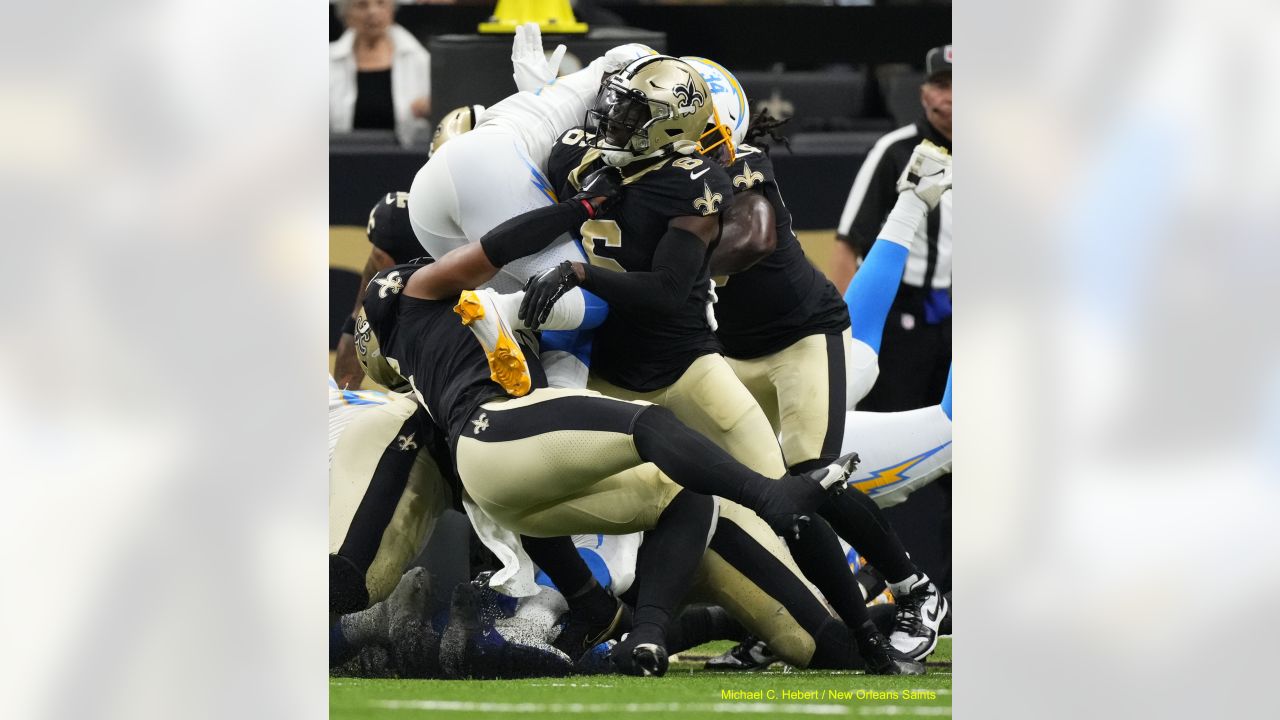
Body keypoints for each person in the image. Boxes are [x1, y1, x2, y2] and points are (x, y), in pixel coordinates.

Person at [406, 27, 655, 390]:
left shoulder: (563, 96)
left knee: (545, 319)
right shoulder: (608, 104)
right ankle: (557, 400)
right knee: (588, 292)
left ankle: (548, 411)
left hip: (430, 200)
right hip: (486, 169)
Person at [329, 0, 430, 147]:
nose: (372, 12)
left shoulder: (418, 58)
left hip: (403, 159)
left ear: (392, 10)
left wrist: (430, 109)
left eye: (381, 3)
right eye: (362, 5)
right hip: (341, 158)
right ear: (346, 15)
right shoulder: (328, 60)